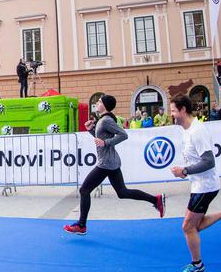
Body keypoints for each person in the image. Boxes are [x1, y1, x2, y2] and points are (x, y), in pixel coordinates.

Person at [168, 94, 221, 272]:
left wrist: (185, 171)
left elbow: (209, 161)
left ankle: (197, 266)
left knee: (187, 227)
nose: (171, 115)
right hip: (199, 185)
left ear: (183, 110)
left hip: (205, 186)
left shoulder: (197, 131)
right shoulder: (187, 131)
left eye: (173, 111)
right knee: (195, 225)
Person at [64, 94, 165, 235]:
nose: (97, 103)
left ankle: (81, 225)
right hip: (111, 162)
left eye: (99, 102)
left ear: (104, 105)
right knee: (122, 192)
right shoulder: (102, 120)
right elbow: (101, 138)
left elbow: (123, 135)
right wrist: (91, 130)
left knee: (84, 190)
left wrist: (106, 143)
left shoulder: (106, 120)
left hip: (106, 163)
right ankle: (156, 200)